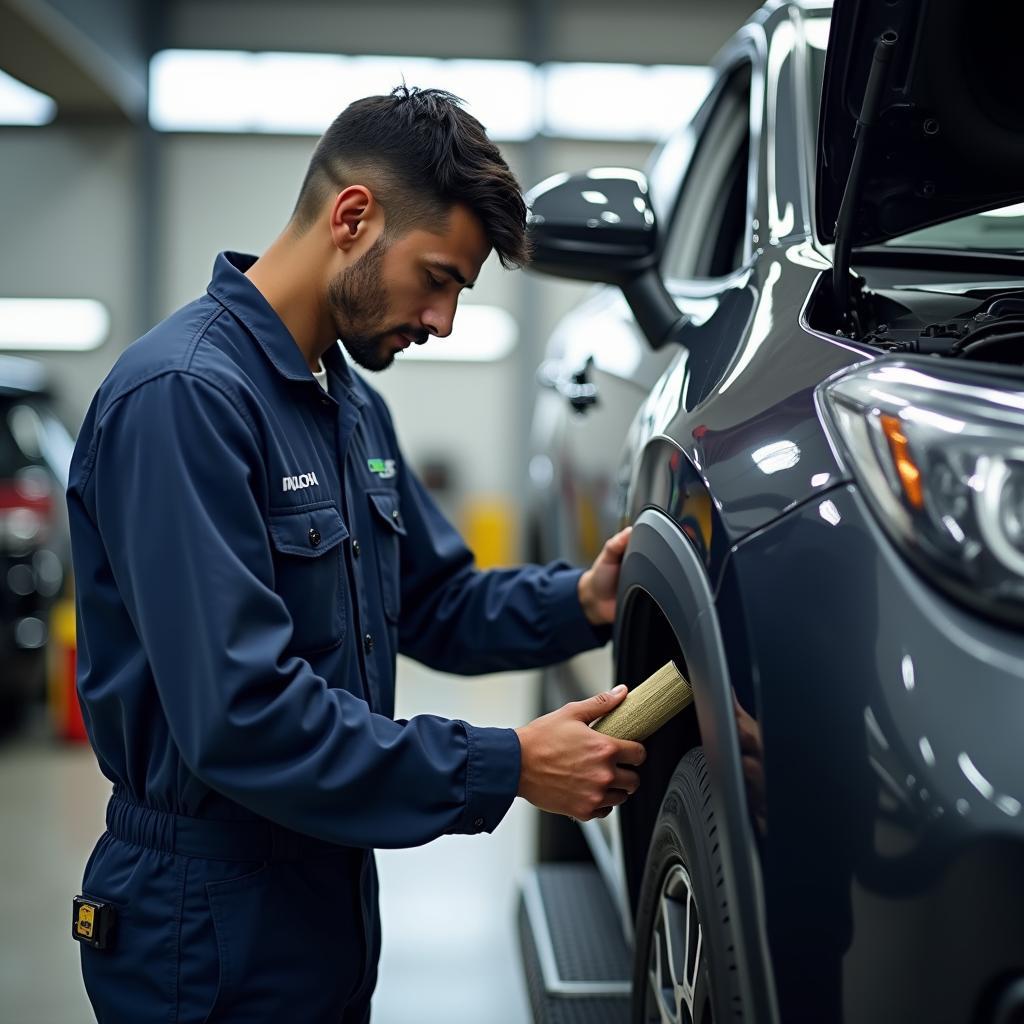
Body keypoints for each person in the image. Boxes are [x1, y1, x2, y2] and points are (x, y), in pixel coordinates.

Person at [66, 85, 646, 1023]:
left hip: (326, 890)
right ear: (352, 217)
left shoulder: (348, 404)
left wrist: (583, 599)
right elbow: (242, 715)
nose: (446, 320)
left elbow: (436, 601)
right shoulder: (185, 401)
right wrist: (505, 765)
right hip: (203, 918)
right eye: (439, 277)